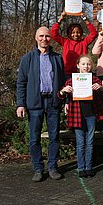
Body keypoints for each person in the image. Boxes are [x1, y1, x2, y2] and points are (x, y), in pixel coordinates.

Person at [16, 26, 65, 182]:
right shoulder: (27, 59)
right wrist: (20, 104)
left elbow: (63, 82)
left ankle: (52, 167)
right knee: (34, 138)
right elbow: (21, 83)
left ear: (51, 38)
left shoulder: (57, 58)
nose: (45, 39)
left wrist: (65, 101)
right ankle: (38, 168)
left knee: (54, 137)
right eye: (41, 36)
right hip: (35, 103)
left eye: (47, 36)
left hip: (53, 102)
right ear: (36, 38)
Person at [59, 55, 103, 178]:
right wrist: (63, 91)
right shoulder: (71, 80)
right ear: (78, 65)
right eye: (84, 64)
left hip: (91, 115)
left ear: (91, 66)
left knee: (90, 142)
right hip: (77, 115)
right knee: (80, 143)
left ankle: (89, 167)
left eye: (88, 64)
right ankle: (81, 168)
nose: (86, 66)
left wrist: (101, 88)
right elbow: (60, 95)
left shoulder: (94, 79)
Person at [51, 12, 98, 78]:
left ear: (81, 33)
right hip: (67, 73)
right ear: (68, 34)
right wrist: (60, 19)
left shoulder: (84, 42)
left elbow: (94, 33)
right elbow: (53, 34)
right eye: (72, 32)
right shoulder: (65, 42)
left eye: (78, 32)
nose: (75, 34)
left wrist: (86, 20)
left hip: (82, 73)